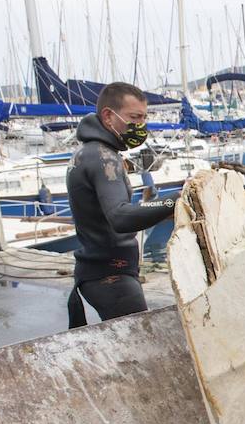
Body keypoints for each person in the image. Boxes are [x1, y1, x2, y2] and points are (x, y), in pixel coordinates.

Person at [65, 81, 178, 328]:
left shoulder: (95, 152)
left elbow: (107, 214)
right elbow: (120, 217)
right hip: (110, 278)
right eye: (134, 118)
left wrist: (168, 209)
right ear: (108, 116)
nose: (140, 126)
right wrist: (176, 200)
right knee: (142, 352)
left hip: (103, 273)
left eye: (144, 118)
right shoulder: (101, 157)